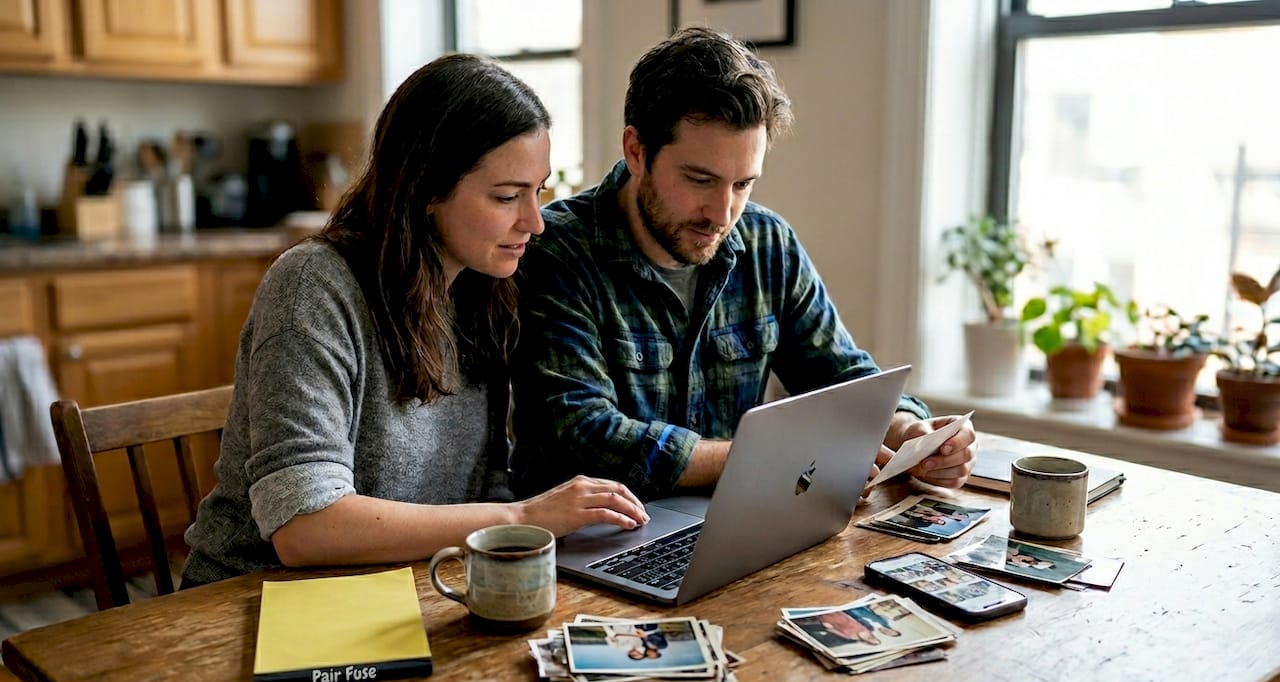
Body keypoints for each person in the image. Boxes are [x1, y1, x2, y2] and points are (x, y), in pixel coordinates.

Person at [180, 54, 648, 588]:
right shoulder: (313, 286)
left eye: (537, 191)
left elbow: (483, 487)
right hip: (253, 602)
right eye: (506, 196)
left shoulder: (483, 289)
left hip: (405, 587)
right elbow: (304, 526)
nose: (534, 222)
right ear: (426, 189)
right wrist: (521, 518)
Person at [510, 28, 975, 502]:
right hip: (585, 546)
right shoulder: (555, 249)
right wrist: (769, 460)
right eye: (700, 180)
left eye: (743, 184)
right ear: (636, 150)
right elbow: (586, 434)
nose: (722, 213)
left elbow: (842, 378)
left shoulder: (766, 241)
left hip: (731, 524)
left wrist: (909, 432)